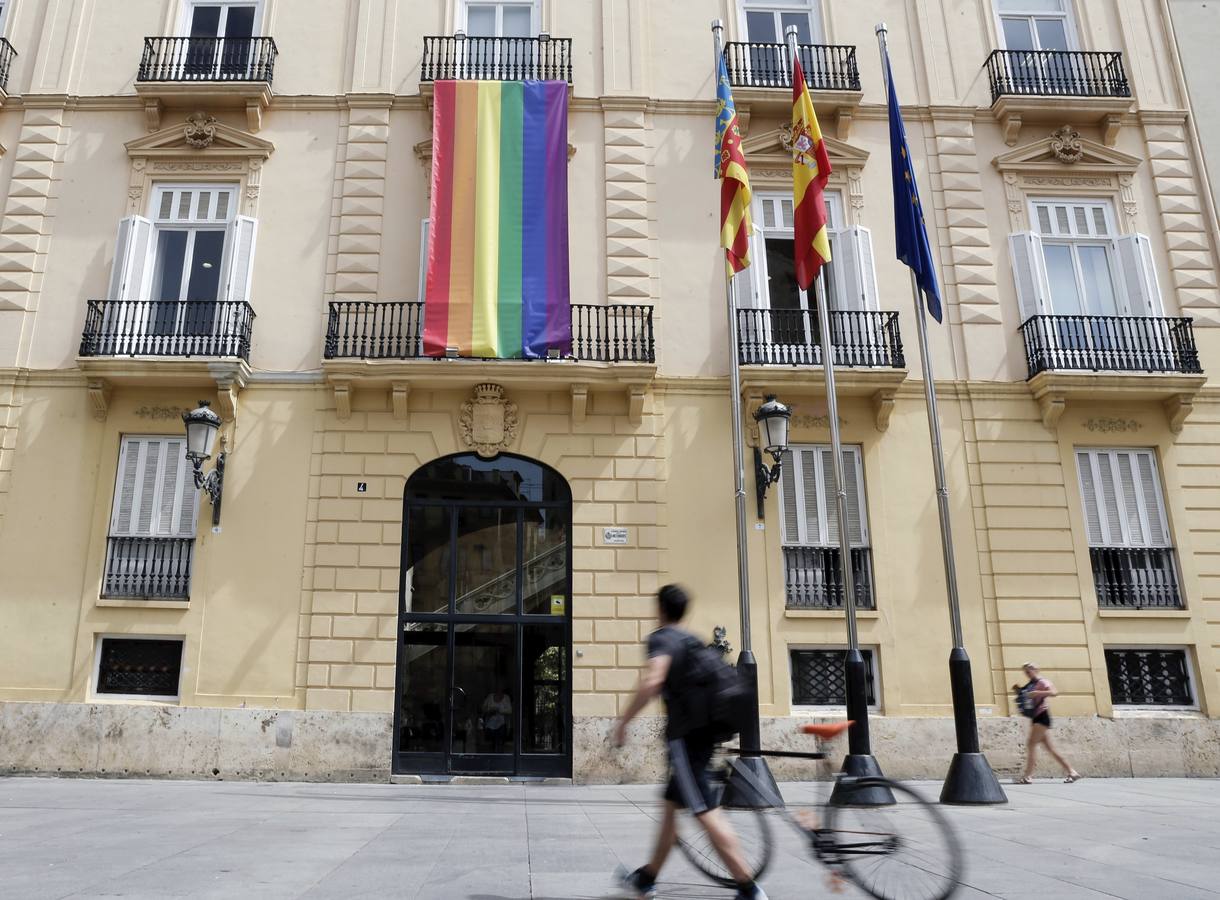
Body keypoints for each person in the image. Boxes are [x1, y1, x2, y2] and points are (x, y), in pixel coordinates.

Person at [613, 584, 768, 900]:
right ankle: (647, 877)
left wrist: (624, 721)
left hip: (686, 737)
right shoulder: (692, 639)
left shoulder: (662, 638)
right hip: (704, 732)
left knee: (704, 809)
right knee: (672, 807)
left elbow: (653, 680)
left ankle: (748, 887)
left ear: (660, 609)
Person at [1014, 662, 1081, 784]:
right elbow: (1028, 698)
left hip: (1042, 716)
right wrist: (1019, 691)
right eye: (1026, 672)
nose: (1027, 674)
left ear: (1035, 670)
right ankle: (1072, 772)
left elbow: (1054, 692)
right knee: (1050, 749)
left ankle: (1028, 776)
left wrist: (1037, 693)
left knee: (1031, 744)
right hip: (1036, 717)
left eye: (1029, 671)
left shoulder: (1042, 681)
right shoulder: (1032, 684)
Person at [481, 687, 512, 752]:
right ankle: (494, 751)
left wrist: (500, 711)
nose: (499, 691)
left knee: (500, 737)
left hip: (502, 724)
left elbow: (510, 711)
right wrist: (490, 711)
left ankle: (499, 752)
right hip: (490, 725)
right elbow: (483, 709)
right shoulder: (490, 697)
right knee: (492, 740)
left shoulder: (506, 698)